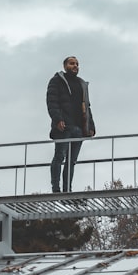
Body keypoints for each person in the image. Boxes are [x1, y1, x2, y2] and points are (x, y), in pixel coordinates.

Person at [46, 56, 95, 192]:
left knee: (71, 162)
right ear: (65, 66)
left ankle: (67, 190)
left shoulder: (82, 84)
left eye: (77, 64)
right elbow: (52, 102)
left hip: (79, 129)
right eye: (72, 63)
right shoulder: (57, 81)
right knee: (59, 157)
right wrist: (57, 119)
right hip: (64, 127)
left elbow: (87, 106)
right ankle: (56, 189)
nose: (75, 66)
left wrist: (91, 126)